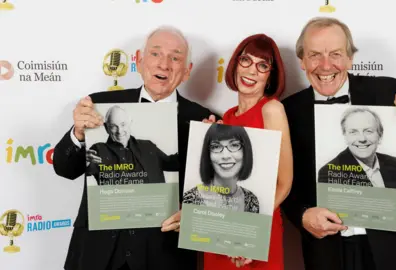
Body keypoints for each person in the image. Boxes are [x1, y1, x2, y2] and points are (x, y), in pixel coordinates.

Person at [281, 17, 396, 270]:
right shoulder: (288, 111)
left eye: (336, 54)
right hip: (328, 252)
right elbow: (282, 183)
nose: (325, 65)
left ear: (350, 58)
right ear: (302, 61)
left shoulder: (387, 92)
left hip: (393, 249)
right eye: (315, 55)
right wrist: (302, 215)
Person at [52, 25, 221, 270]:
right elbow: (65, 169)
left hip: (164, 255)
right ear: (140, 61)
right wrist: (78, 132)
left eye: (175, 57)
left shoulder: (203, 120)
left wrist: (197, 209)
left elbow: (215, 192)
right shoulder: (99, 105)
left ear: (186, 72)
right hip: (96, 252)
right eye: (155, 54)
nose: (164, 64)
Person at [203, 33, 293, 270]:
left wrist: (247, 232)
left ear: (270, 76)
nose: (252, 71)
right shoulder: (228, 117)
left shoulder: (272, 110)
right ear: (235, 64)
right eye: (246, 60)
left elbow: (284, 182)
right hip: (222, 231)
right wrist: (205, 142)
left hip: (258, 230)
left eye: (262, 65)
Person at [85, 105, 179, 186]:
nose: (119, 131)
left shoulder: (148, 146)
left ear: (130, 123)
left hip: (154, 203)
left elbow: (173, 163)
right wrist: (84, 161)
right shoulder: (99, 150)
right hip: (120, 205)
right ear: (106, 128)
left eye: (123, 124)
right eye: (113, 126)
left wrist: (189, 140)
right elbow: (81, 170)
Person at [317, 107, 396, 190]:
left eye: (368, 131)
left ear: (380, 135)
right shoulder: (329, 172)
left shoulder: (393, 164)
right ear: (345, 136)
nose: (362, 139)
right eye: (353, 132)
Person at [183, 124, 259, 213]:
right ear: (208, 155)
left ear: (245, 151)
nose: (225, 156)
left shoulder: (252, 200)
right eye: (216, 147)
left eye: (234, 145)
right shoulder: (189, 201)